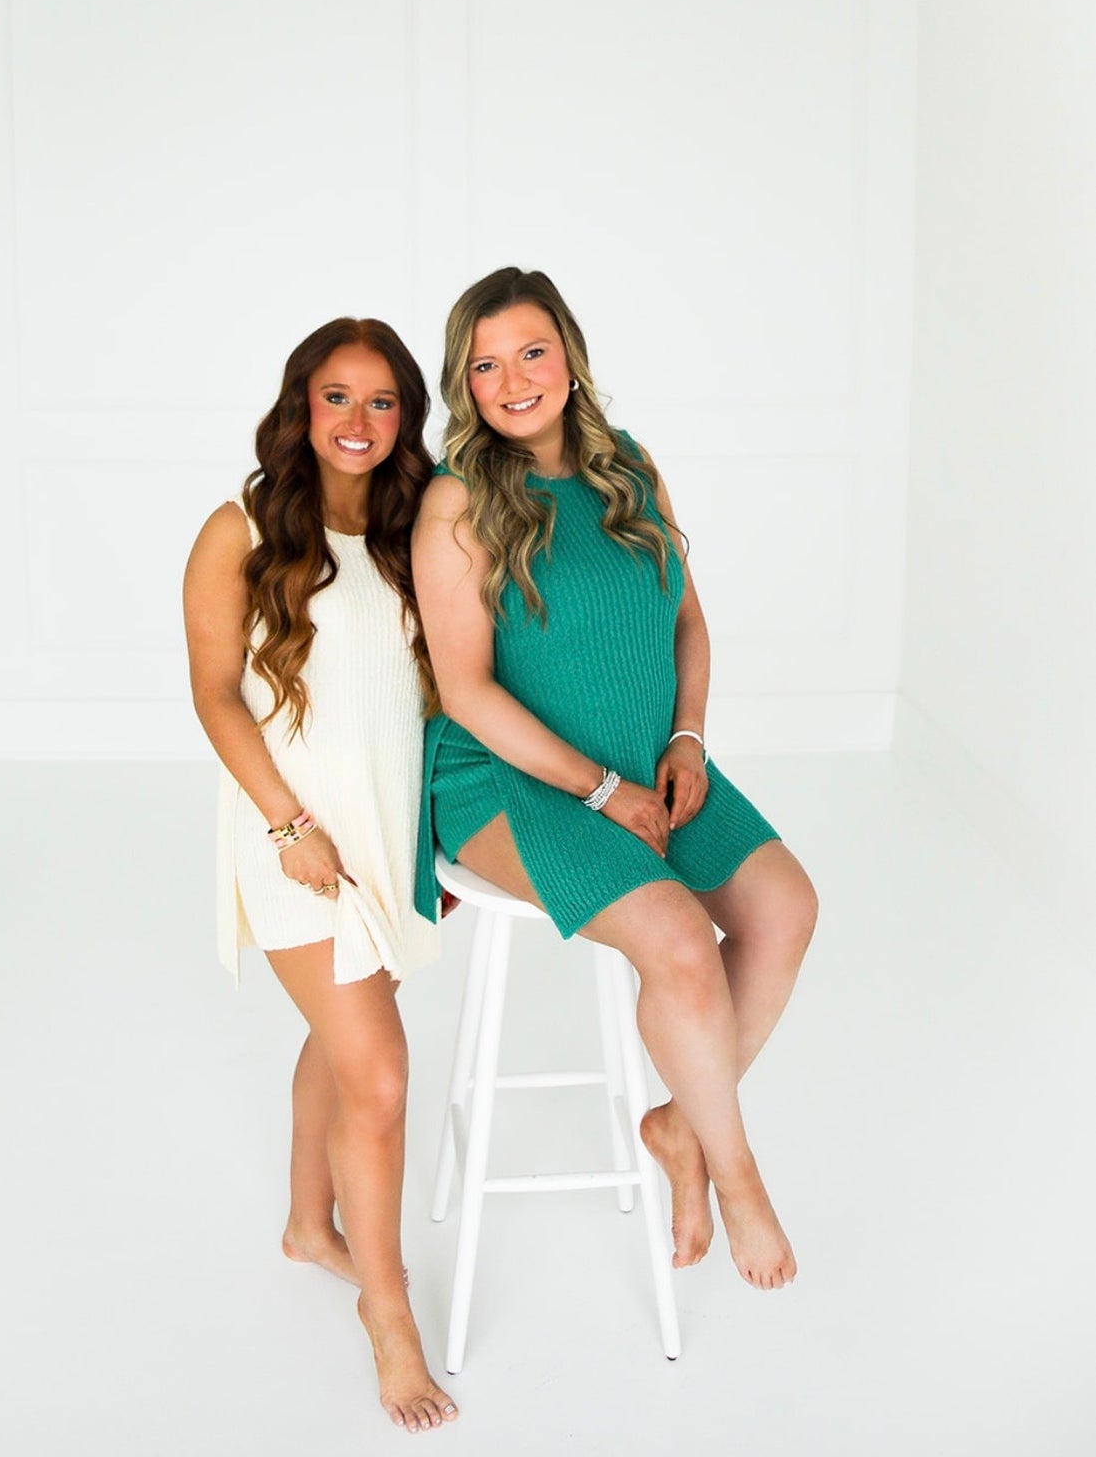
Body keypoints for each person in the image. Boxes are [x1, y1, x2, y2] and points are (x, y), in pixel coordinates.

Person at [410, 269, 818, 1291]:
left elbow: (687, 618)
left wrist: (686, 739)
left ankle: (678, 1125)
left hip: (645, 758)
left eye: (531, 353)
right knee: (677, 941)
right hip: (504, 781)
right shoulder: (456, 503)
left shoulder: (628, 465)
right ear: (464, 382)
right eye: (486, 365)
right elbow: (465, 691)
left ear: (569, 356)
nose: (513, 381)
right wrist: (598, 791)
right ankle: (736, 1177)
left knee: (783, 907)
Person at [183, 318, 457, 1431]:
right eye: (335, 396)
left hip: (389, 830)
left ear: (406, 418)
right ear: (300, 405)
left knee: (343, 1037)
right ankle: (388, 1313)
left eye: (381, 401)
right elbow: (214, 694)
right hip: (293, 838)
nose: (357, 420)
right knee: (378, 1077)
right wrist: (289, 826)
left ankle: (309, 1225)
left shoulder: (415, 526)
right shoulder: (239, 527)